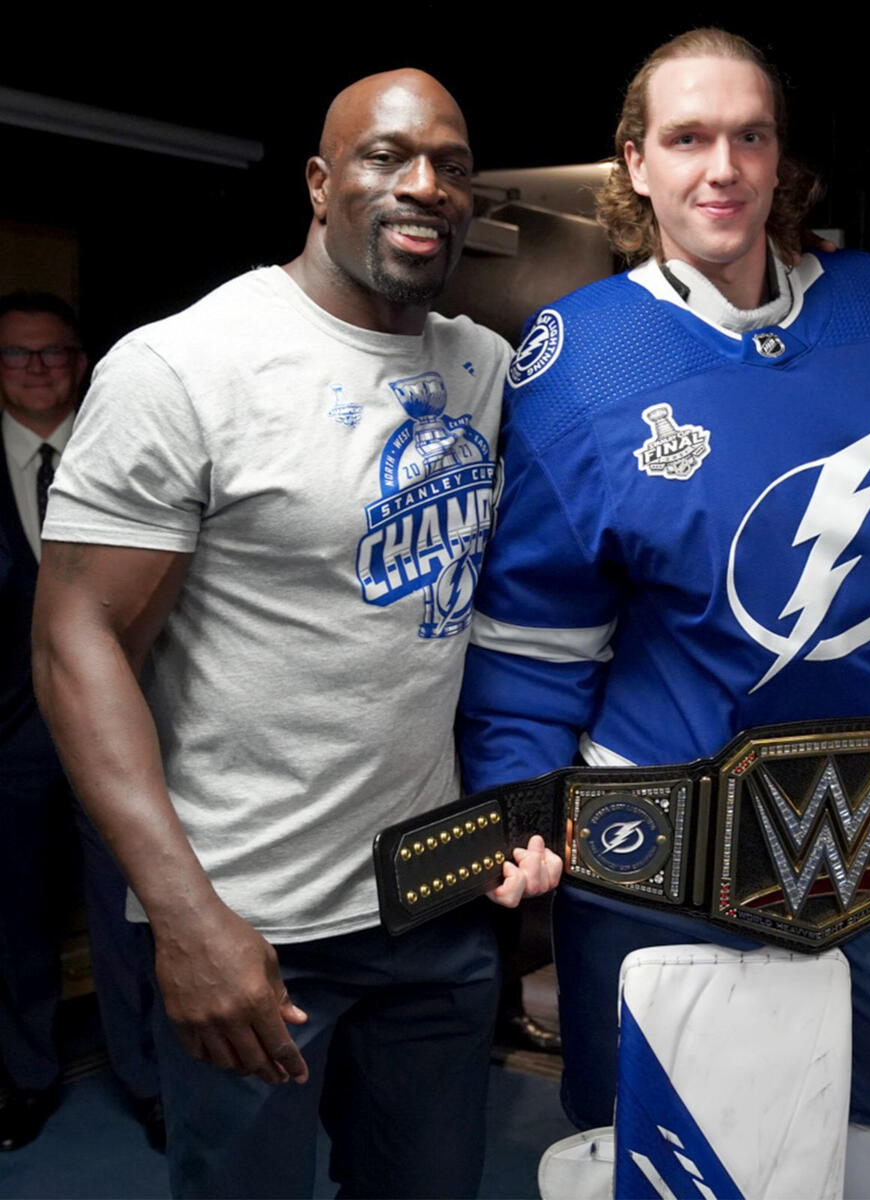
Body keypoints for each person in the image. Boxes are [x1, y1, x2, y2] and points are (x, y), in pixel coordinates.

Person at [456, 28, 870, 1132]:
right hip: (676, 857)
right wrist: (516, 798)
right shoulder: (579, 361)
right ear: (636, 163)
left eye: (749, 136)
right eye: (688, 138)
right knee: (690, 1155)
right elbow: (534, 634)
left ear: (782, 161)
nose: (721, 167)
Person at [33, 70, 558, 1199]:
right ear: (321, 185)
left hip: (438, 900)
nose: (424, 186)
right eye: (384, 157)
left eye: (453, 165)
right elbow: (74, 645)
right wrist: (183, 917)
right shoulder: (187, 364)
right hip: (253, 920)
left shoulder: (485, 369)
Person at [0, 291, 161, 1152]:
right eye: (16, 355)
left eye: (52, 353)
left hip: (115, 719)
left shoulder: (123, 451)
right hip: (10, 740)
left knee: (128, 906)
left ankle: (146, 1079)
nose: (35, 369)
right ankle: (25, 1079)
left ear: (81, 362)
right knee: (13, 914)